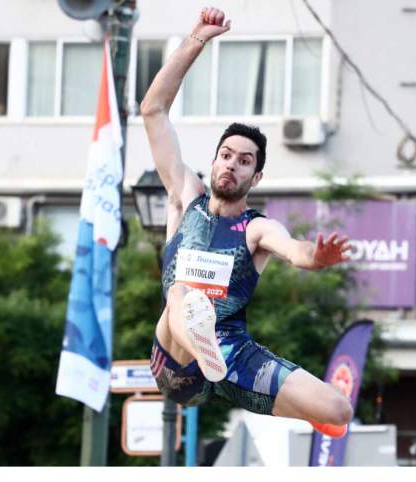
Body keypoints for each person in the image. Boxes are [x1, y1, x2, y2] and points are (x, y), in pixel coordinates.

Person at [140, 6, 353, 438]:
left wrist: (318, 257)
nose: (231, 165)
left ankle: (276, 396)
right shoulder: (186, 197)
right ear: (213, 161)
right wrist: (196, 39)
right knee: (181, 292)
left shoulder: (257, 229)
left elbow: (295, 251)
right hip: (177, 367)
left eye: (243, 161)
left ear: (255, 178)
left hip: (234, 355)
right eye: (225, 156)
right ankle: (203, 347)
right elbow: (153, 110)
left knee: (339, 409)